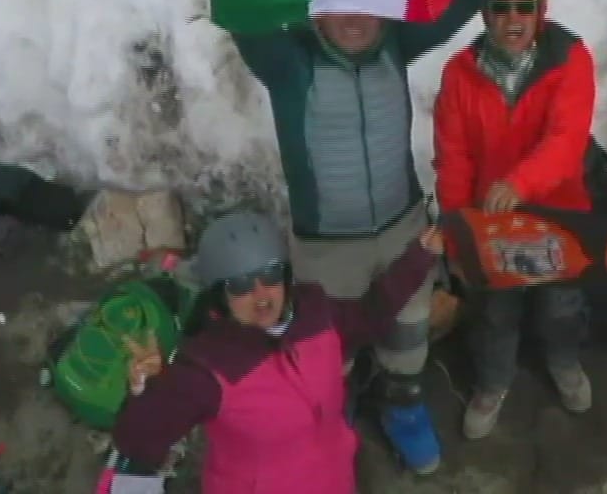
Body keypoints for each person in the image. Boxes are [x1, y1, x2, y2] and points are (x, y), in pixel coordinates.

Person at [219, 0, 520, 474]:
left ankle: (402, 404)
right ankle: (332, 413)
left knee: (407, 334)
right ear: (316, 10)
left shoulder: (394, 46)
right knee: (328, 350)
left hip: (403, 229)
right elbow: (242, 17)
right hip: (325, 245)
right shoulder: (290, 64)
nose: (356, 20)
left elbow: (453, 10)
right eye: (341, 7)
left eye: (369, 7)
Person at [104, 210, 443, 494]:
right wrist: (146, 390)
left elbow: (371, 313)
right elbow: (137, 440)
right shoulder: (207, 369)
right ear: (220, 294)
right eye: (240, 285)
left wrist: (419, 258)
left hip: (334, 479)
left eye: (269, 275)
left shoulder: (318, 316)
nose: (261, 295)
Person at [432, 0, 598, 438]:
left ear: (541, 11)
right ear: (486, 14)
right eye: (501, 8)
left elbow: (567, 142)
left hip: (558, 215)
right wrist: (459, 232)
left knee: (561, 305)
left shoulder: (571, 58)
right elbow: (454, 159)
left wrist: (519, 185)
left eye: (524, 6)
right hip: (493, 223)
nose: (512, 18)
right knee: (495, 310)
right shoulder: (460, 73)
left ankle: (564, 362)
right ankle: (493, 382)